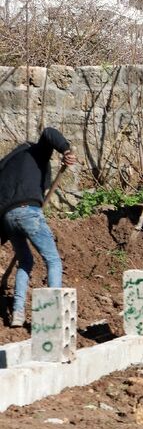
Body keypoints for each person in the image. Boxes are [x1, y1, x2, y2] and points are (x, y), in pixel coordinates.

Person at [0, 128, 77, 327]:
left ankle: (17, 313)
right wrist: (66, 150)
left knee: (25, 261)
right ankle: (52, 315)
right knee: (52, 260)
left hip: (7, 217)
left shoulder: (7, 165)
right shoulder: (36, 151)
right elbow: (49, 132)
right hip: (29, 212)